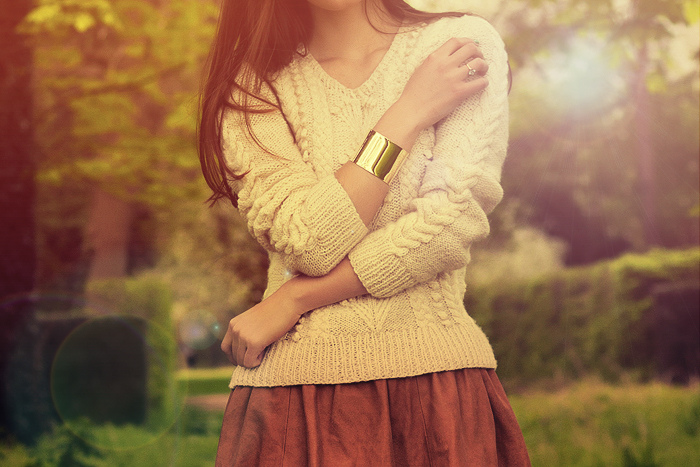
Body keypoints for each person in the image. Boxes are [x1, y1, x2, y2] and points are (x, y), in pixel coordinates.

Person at [198, 0, 530, 464]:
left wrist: (295, 300)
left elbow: (450, 224)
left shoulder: (459, 47)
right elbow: (309, 242)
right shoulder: (252, 87)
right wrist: (406, 114)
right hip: (293, 399)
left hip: (435, 389)